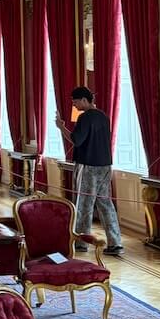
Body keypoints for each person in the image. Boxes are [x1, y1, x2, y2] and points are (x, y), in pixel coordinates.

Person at [56, 86, 123, 256]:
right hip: (105, 165)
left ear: (84, 100)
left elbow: (76, 140)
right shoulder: (104, 117)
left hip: (88, 166)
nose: (74, 105)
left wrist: (61, 127)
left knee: (84, 204)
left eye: (75, 102)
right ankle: (115, 242)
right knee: (106, 203)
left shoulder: (85, 117)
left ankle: (81, 242)